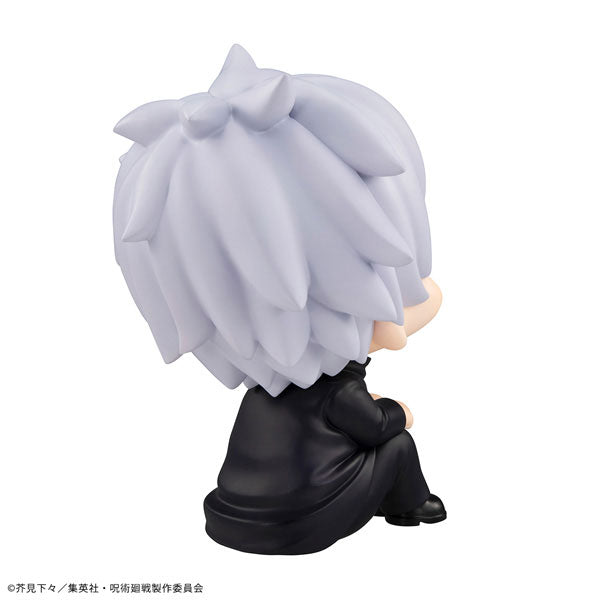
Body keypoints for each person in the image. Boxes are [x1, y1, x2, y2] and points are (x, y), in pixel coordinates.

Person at [113, 44, 446, 554]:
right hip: (307, 517)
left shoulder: (260, 396)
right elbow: (376, 425)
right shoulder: (337, 392)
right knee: (397, 444)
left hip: (234, 510)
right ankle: (412, 505)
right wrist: (398, 411)